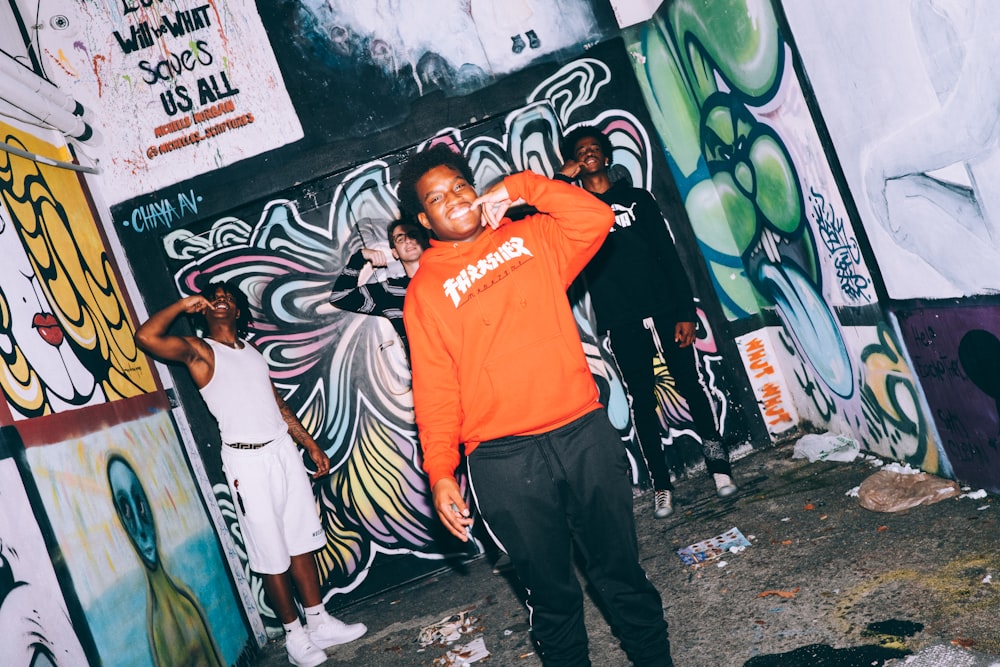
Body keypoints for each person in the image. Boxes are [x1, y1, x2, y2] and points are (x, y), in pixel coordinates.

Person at [398, 144, 674, 667]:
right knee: (551, 597)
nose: (453, 200)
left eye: (459, 186)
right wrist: (439, 471)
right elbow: (435, 389)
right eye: (436, 198)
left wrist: (522, 186)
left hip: (582, 434)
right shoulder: (425, 291)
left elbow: (594, 215)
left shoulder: (532, 237)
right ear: (422, 219)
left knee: (621, 574)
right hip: (503, 461)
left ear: (476, 188)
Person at [134, 280, 367, 667]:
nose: (222, 300)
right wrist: (180, 305)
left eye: (229, 298)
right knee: (270, 551)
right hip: (247, 461)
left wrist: (308, 444)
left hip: (282, 451)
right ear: (204, 311)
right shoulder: (200, 352)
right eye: (214, 297)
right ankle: (295, 637)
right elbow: (146, 337)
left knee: (300, 540)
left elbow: (276, 402)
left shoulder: (252, 353)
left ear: (238, 312)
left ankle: (319, 620)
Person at [559, 125, 738, 520]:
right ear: (576, 161)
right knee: (643, 401)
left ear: (607, 157)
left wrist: (685, 313)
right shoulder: (573, 210)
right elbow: (545, 215)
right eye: (580, 150)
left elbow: (668, 255)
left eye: (594, 148)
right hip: (621, 319)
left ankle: (719, 468)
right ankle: (662, 486)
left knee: (691, 386)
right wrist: (561, 179)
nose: (588, 153)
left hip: (663, 309)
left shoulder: (637, 199)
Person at [324, 217, 428, 351]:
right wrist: (359, 257)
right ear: (395, 253)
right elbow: (340, 297)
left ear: (425, 242)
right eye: (400, 239)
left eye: (413, 235)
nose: (408, 240)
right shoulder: (390, 290)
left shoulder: (447, 276)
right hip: (428, 367)